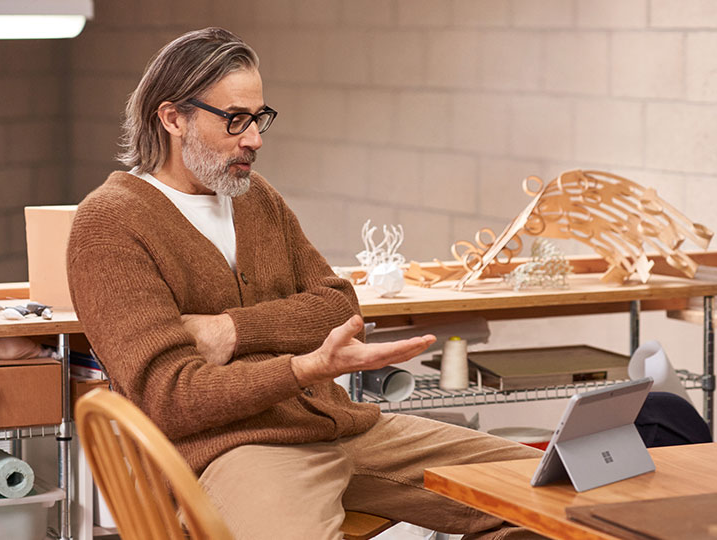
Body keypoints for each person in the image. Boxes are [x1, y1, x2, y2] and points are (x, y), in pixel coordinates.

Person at [66, 27, 542, 539]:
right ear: (173, 118)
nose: (255, 138)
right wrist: (304, 366)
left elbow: (339, 307)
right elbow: (173, 397)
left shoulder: (255, 198)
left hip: (342, 427)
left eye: (259, 118)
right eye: (236, 120)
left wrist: (233, 331)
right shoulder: (109, 225)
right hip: (232, 450)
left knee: (555, 495)